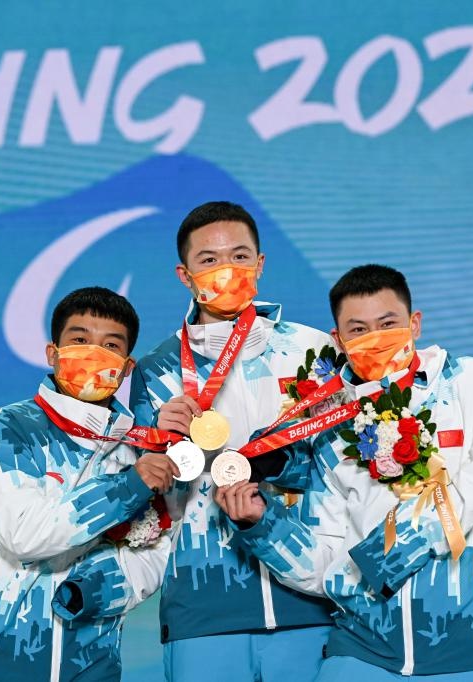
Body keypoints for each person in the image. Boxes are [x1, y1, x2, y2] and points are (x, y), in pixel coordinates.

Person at [216, 264, 473, 681]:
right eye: (358, 330)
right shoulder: (329, 431)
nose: (375, 339)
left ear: (414, 324)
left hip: (468, 650)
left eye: (388, 324)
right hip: (361, 652)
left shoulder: (469, 382)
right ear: (338, 341)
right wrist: (263, 526)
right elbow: (324, 560)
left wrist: (384, 556)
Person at [120, 201, 335, 681]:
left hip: (310, 599)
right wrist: (163, 442)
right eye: (209, 260)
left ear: (260, 264)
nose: (226, 271)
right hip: (203, 612)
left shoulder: (312, 350)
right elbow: (151, 501)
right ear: (185, 274)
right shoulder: (158, 369)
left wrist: (279, 461)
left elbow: (340, 467)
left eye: (240, 257)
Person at [0, 286, 180, 682]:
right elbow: (25, 534)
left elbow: (156, 552)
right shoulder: (5, 430)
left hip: (92, 665)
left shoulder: (137, 449)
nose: (92, 353)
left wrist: (93, 590)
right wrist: (127, 488)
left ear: (126, 365)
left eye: (110, 345)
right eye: (80, 340)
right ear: (53, 353)